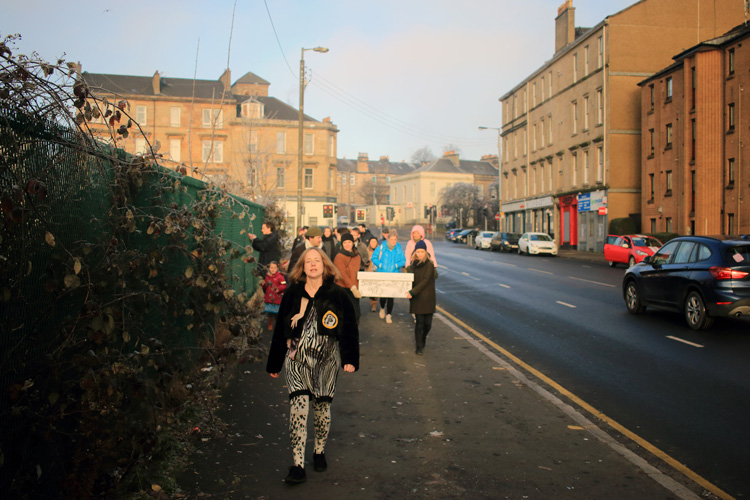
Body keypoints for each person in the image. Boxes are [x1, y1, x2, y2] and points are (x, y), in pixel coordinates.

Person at [266, 247, 359, 485]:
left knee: (321, 411)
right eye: (309, 261)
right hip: (296, 361)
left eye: (317, 261)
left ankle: (319, 451)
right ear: (302, 267)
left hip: (326, 362)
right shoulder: (292, 293)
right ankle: (297, 464)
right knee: (297, 410)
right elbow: (280, 330)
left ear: (325, 265)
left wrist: (350, 359)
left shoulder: (338, 294)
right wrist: (275, 362)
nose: (313, 264)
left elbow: (349, 328)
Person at [406, 240, 436, 355]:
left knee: (427, 325)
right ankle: (419, 347)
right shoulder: (413, 265)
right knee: (419, 323)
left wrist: (412, 292)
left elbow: (425, 281)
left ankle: (423, 338)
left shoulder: (430, 264)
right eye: (418, 251)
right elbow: (409, 280)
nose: (420, 254)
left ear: (425, 252)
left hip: (428, 298)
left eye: (422, 251)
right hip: (417, 298)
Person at [371, 230, 405, 324]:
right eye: (392, 239)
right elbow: (373, 258)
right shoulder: (381, 247)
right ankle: (382, 308)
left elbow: (403, 260)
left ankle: (389, 314)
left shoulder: (398, 249)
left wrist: (396, 265)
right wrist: (380, 265)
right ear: (388, 239)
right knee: (383, 295)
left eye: (395, 239)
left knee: (391, 296)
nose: (393, 241)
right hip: (382, 273)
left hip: (394, 274)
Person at [333, 233, 362, 324]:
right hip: (343, 288)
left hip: (354, 288)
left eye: (349, 242)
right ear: (342, 244)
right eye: (345, 242)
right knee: (345, 314)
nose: (347, 244)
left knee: (356, 314)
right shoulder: (339, 256)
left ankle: (353, 335)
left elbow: (358, 272)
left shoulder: (357, 256)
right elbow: (343, 275)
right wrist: (352, 288)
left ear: (353, 243)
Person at [262, 261, 287, 331]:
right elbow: (265, 286)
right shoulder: (267, 276)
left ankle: (276, 324)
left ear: (277, 268)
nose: (273, 269)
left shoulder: (280, 276)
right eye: (271, 268)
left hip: (276, 298)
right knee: (269, 313)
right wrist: (263, 284)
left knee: (276, 313)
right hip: (269, 298)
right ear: (269, 268)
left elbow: (284, 285)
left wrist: (279, 289)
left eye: (274, 268)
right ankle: (270, 324)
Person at [365, 236, 380, 313]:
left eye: (374, 241)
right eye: (372, 242)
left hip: (377, 272)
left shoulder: (380, 251)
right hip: (369, 271)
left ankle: (375, 303)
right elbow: (364, 261)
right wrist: (367, 261)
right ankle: (372, 304)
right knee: (371, 289)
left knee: (376, 289)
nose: (373, 243)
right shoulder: (367, 251)